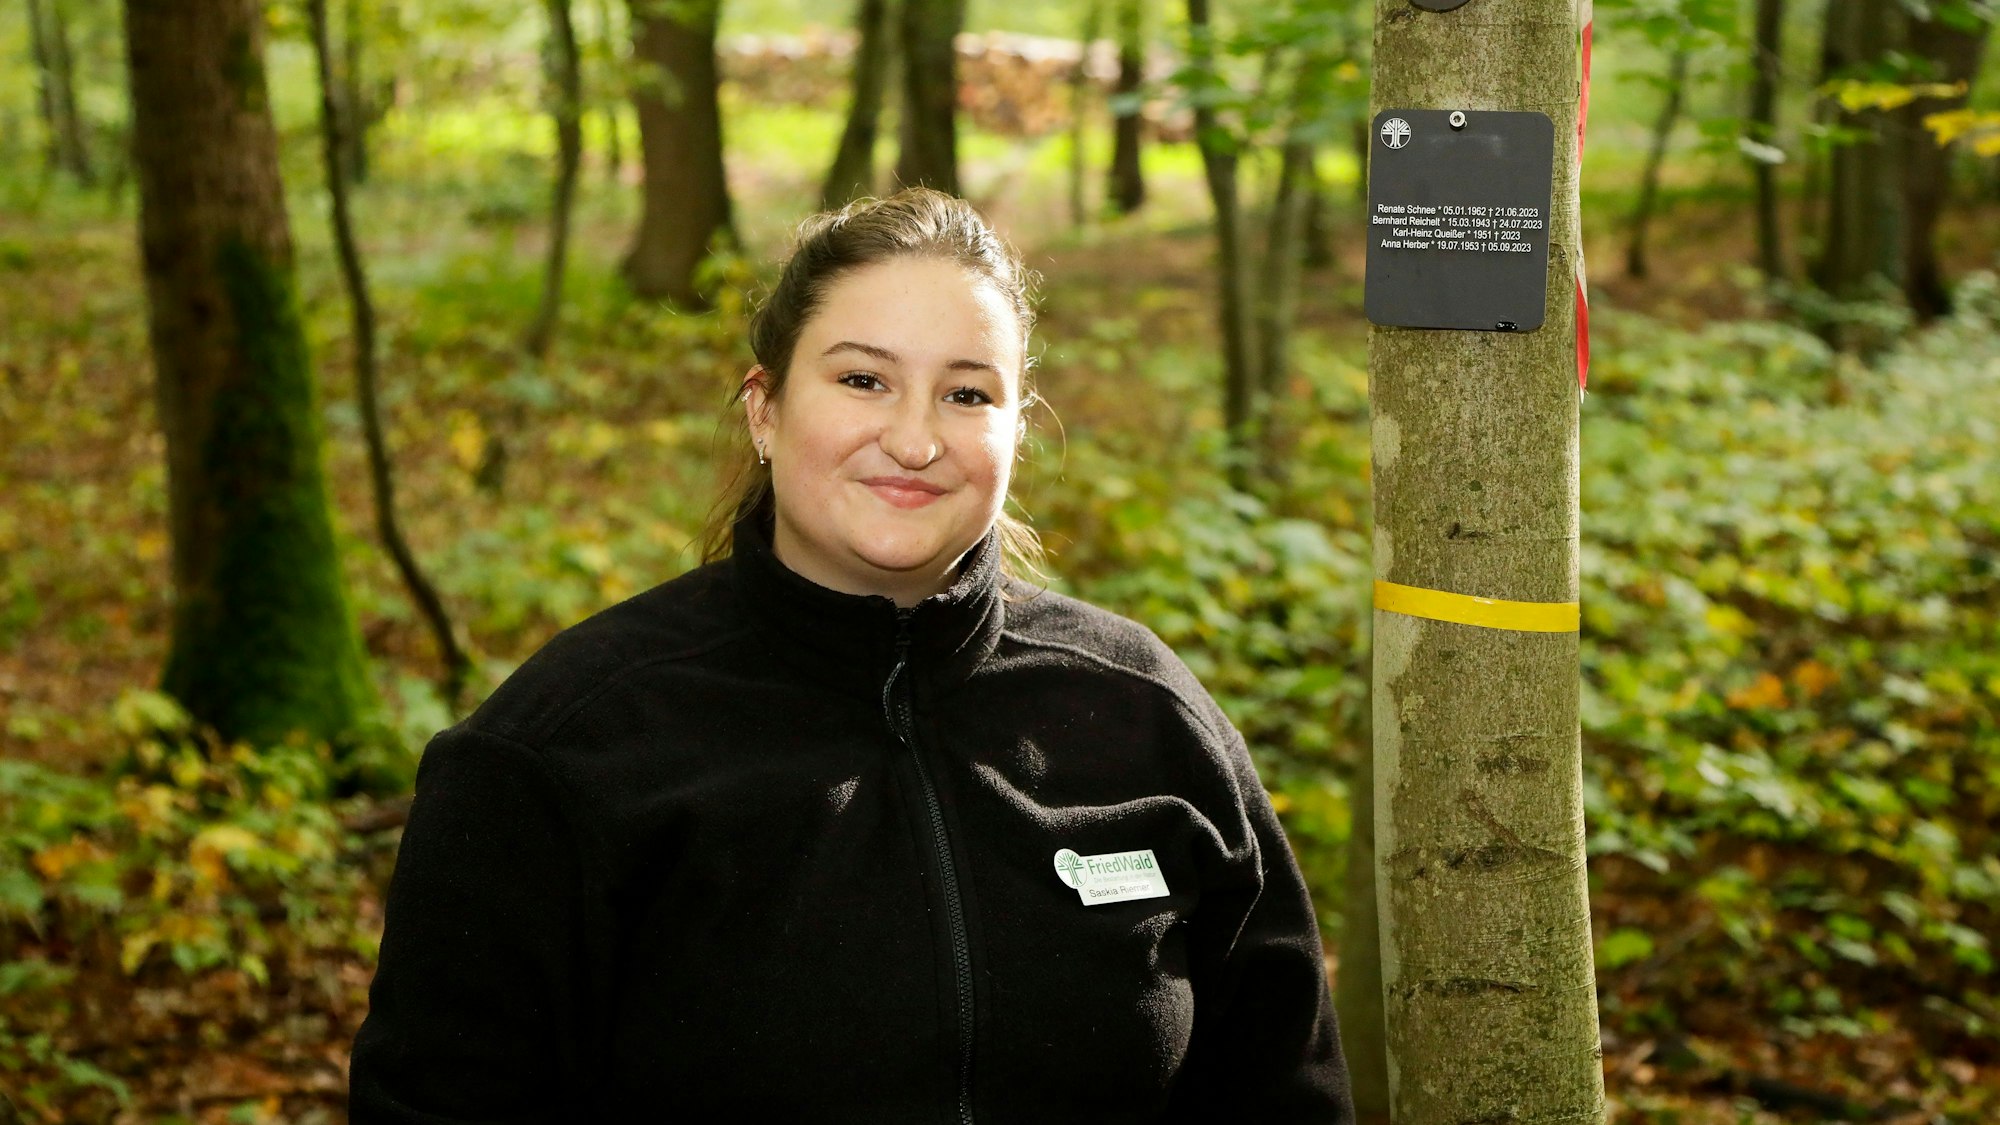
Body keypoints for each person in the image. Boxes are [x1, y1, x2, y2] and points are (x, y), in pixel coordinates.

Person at [348, 187, 1353, 1123]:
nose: (913, 439)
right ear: (765, 409)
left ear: (1016, 429)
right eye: (863, 379)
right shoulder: (562, 753)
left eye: (967, 395)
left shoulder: (1143, 716)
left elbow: (1283, 1088)